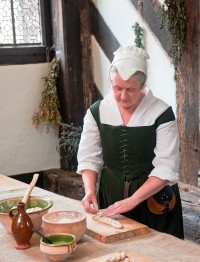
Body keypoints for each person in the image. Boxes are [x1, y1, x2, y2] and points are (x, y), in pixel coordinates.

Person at [77, 45, 184, 239]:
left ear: (142, 86)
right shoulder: (97, 111)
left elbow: (166, 167)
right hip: (110, 196)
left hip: (153, 200)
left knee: (158, 256)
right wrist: (90, 190)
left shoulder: (161, 113)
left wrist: (134, 199)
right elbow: (89, 157)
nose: (123, 96)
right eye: (118, 88)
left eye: (130, 90)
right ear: (111, 82)